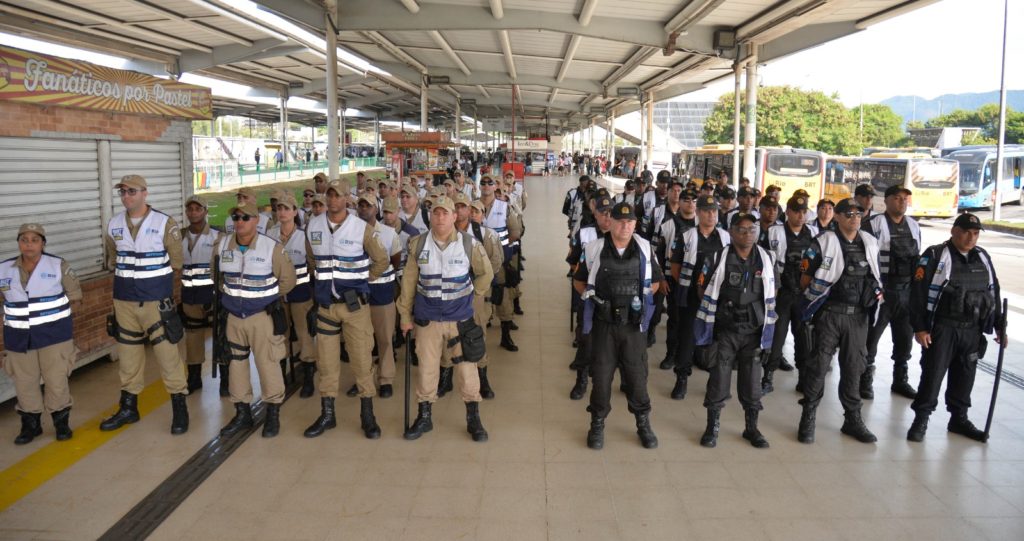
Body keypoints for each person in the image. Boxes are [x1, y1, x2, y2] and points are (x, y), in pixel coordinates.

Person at [398, 196, 495, 442]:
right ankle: (424, 417)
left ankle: (473, 418)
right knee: (427, 369)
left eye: (445, 213)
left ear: (454, 216)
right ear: (430, 216)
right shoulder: (418, 244)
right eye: (436, 213)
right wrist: (405, 316)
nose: (440, 217)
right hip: (427, 319)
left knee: (467, 370)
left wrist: (473, 296)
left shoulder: (469, 244)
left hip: (460, 320)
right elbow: (408, 283)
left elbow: (486, 273)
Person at [100, 175, 189, 435]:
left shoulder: (164, 223)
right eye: (123, 192)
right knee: (128, 358)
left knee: (168, 356)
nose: (126, 196)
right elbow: (113, 258)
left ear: (144, 193)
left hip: (155, 301)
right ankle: (129, 407)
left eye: (132, 191)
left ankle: (179, 407)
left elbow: (176, 262)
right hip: (124, 300)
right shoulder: (114, 224)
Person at [303, 179, 390, 439]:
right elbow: (312, 260)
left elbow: (381, 259)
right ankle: (327, 414)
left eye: (338, 195)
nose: (332, 200)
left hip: (355, 308)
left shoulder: (361, 228)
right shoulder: (313, 226)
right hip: (326, 307)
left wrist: (362, 280)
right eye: (329, 195)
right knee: (327, 363)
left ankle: (368, 415)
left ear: (346, 199)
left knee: (362, 360)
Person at [907, 213, 1003, 443]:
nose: (971, 238)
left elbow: (994, 292)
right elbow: (918, 293)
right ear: (954, 231)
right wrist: (920, 328)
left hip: (972, 329)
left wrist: (1000, 325)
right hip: (943, 328)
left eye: (976, 233)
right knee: (933, 375)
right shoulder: (935, 255)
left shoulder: (982, 257)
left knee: (965, 376)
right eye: (966, 232)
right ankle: (921, 419)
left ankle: (959, 418)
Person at [574, 201, 661, 450]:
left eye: (630, 221)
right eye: (620, 221)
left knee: (637, 377)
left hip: (633, 327)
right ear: (610, 222)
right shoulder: (594, 248)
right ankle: (597, 423)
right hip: (604, 326)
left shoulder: (645, 248)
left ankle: (643, 423)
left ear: (635, 223)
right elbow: (579, 281)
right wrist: (596, 302)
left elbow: (656, 282)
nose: (625, 226)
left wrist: (638, 303)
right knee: (601, 378)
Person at [796, 197, 882, 444]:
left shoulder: (869, 242)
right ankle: (808, 416)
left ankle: (852, 420)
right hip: (830, 315)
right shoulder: (823, 242)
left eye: (858, 214)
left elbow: (875, 277)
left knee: (854, 368)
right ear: (837, 216)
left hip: (858, 317)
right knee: (819, 367)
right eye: (849, 214)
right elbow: (805, 279)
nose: (854, 218)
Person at [693, 213, 777, 448]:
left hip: (753, 331)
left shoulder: (767, 258)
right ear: (731, 232)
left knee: (752, 383)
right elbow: (702, 289)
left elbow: (774, 290)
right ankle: (712, 427)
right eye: (741, 229)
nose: (747, 234)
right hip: (726, 330)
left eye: (752, 229)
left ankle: (751, 428)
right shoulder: (717, 257)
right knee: (718, 379)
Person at [214, 202, 296, 437]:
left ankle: (272, 414)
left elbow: (288, 280)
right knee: (236, 365)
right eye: (236, 217)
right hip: (233, 317)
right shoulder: (223, 245)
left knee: (268, 364)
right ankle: (242, 414)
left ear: (256, 220)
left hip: (262, 317)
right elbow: (217, 277)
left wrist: (265, 298)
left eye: (245, 217)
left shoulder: (272, 248)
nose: (239, 222)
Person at [2, 224, 81, 444]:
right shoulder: (4, 269)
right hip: (18, 338)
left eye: (34, 240)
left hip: (54, 336)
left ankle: (61, 423)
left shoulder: (58, 265)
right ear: (19, 243)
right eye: (24, 240)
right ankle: (31, 425)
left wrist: (59, 321)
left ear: (43, 243)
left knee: (56, 380)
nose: (29, 244)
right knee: (24, 383)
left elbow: (76, 298)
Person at [862, 185, 921, 400]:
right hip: (882, 293)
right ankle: (864, 380)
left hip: (906, 293)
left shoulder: (914, 225)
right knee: (871, 339)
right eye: (897, 198)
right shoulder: (873, 224)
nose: (902, 202)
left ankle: (900, 380)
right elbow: (865, 258)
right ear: (886, 201)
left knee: (904, 340)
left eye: (905, 198)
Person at [669, 195, 730, 399]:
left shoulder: (725, 237)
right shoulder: (686, 236)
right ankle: (682, 378)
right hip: (692, 297)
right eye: (706, 211)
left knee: (718, 340)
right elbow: (675, 267)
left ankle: (715, 382)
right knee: (687, 338)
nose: (711, 215)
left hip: (717, 298)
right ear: (698, 212)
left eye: (714, 211)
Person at [761, 195, 816, 394]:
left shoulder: (813, 233)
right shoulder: (774, 232)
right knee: (777, 337)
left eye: (804, 212)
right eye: (796, 211)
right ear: (788, 212)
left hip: (804, 295)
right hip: (782, 293)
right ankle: (767, 376)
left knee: (804, 339)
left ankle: (803, 378)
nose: (801, 216)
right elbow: (763, 260)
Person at [266, 194, 317, 398]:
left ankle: (308, 376)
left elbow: (313, 265)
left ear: (295, 212)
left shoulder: (304, 236)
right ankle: (281, 375)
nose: (282, 212)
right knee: (279, 334)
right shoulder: (270, 234)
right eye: (279, 208)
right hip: (277, 295)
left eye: (287, 208)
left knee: (304, 335)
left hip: (301, 293)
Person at [354, 193, 403, 398]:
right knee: (360, 341)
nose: (364, 209)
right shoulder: (350, 232)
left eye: (368, 205)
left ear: (376, 209)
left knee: (384, 339)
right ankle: (363, 378)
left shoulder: (389, 234)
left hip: (382, 293)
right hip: (357, 294)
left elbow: (395, 261)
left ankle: (386, 379)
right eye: (361, 205)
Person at [566, 195, 614, 400]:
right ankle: (581, 380)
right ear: (595, 214)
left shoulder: (622, 235)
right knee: (586, 340)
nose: (607, 217)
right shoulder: (585, 233)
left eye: (610, 213)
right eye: (603, 213)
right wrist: (585, 291)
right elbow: (573, 261)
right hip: (588, 297)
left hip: (614, 300)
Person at [179, 195, 220, 394]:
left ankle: (226, 378)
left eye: (198, 209)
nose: (193, 213)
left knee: (220, 335)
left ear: (205, 211)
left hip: (212, 295)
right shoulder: (179, 236)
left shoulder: (217, 236)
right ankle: (194, 377)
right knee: (193, 337)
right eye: (190, 209)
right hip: (190, 295)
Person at [479, 174, 523, 352]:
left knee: (502, 295)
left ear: (494, 187)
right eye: (483, 183)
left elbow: (515, 232)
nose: (486, 185)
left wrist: (500, 249)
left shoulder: (504, 207)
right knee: (479, 295)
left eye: (490, 183)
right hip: (478, 261)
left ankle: (506, 336)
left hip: (499, 260)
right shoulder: (473, 207)